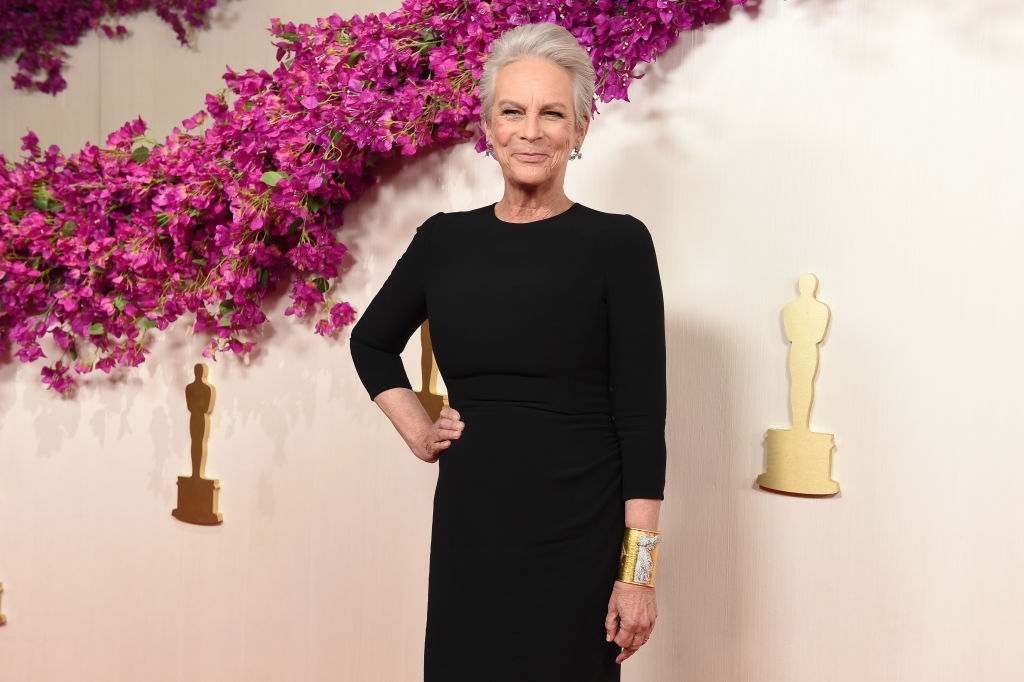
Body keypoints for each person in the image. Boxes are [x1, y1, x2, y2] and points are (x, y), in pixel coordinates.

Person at [350, 22, 666, 682]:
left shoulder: (619, 245)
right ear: (489, 128)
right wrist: (418, 429)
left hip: (580, 534)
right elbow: (371, 342)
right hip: (472, 527)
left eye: (553, 114)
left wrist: (637, 574)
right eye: (512, 111)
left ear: (579, 130)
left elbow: (642, 422)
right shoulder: (444, 242)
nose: (531, 131)